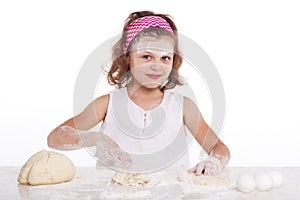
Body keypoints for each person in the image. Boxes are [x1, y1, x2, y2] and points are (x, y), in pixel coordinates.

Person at [47, 11, 230, 176]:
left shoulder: (183, 106)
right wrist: (96, 138)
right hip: (115, 195)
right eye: (146, 56)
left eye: (165, 58)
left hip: (171, 194)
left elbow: (219, 148)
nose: (156, 65)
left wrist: (213, 160)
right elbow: (55, 137)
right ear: (127, 56)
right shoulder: (107, 104)